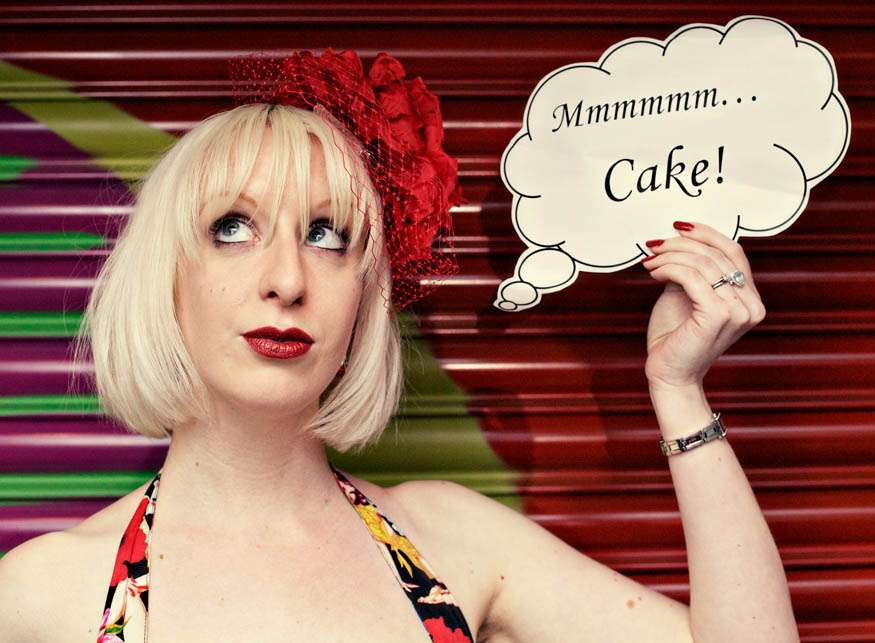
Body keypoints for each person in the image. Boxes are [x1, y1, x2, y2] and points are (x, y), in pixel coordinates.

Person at [0, 49, 799, 642]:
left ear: (364, 297)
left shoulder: (452, 538)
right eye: (233, 228)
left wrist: (678, 390)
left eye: (326, 234)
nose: (287, 279)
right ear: (166, 277)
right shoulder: (41, 594)